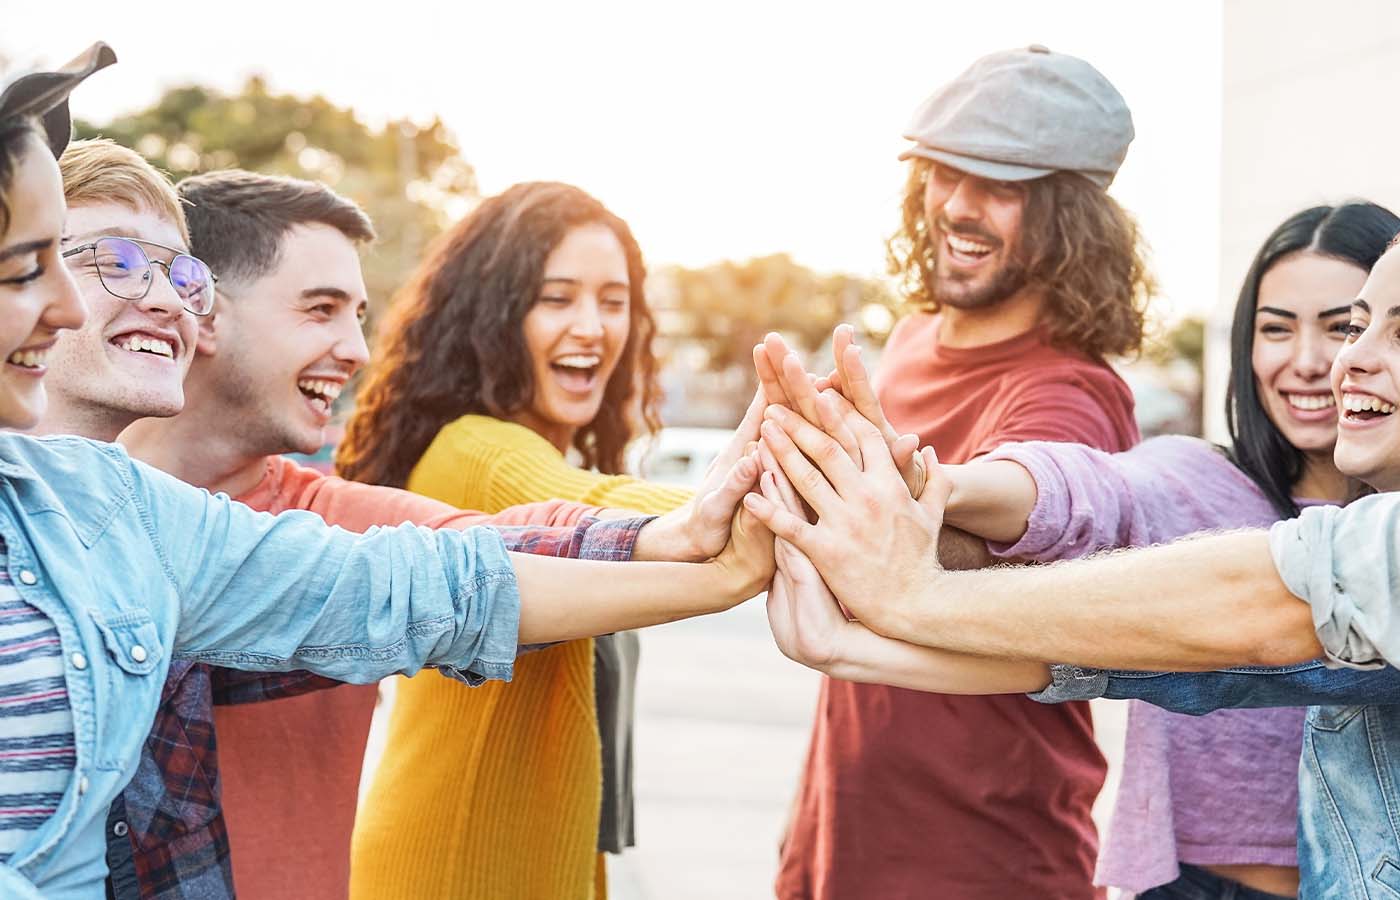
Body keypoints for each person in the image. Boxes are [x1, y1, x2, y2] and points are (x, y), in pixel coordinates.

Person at [0, 50, 774, 900]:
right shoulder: (465, 448)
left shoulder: (140, 521)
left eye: (180, 274)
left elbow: (428, 579)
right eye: (85, 262)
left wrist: (693, 541)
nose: (355, 349)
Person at [756, 200, 1398, 899]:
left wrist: (910, 600)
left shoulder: (1371, 550)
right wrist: (944, 485)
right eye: (1279, 328)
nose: (1321, 361)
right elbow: (1092, 502)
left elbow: (1260, 618)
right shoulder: (1197, 478)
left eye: (1344, 327)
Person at [773, 45, 1151, 900]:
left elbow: (1030, 497)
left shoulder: (1071, 392)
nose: (957, 206)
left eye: (1000, 186)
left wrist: (918, 502)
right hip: (840, 836)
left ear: (1069, 218)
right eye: (942, 174)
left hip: (987, 857)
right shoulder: (905, 342)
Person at [338, 181, 735, 899]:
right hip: (455, 868)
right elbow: (601, 508)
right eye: (557, 298)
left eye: (613, 302)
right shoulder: (479, 453)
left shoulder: (533, 457)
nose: (592, 326)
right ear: (493, 315)